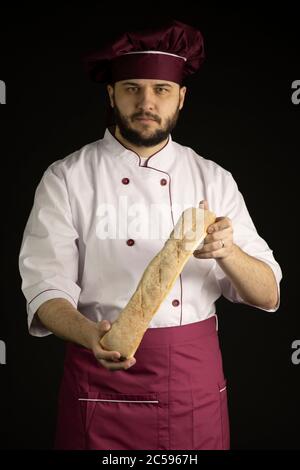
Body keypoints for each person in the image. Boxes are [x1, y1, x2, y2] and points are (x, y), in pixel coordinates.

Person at [18, 19, 282, 450]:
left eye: (161, 90)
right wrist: (91, 336)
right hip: (100, 377)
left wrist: (226, 251)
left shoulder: (212, 179)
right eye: (132, 88)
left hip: (191, 381)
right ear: (111, 94)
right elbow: (45, 289)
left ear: (181, 97)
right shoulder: (66, 178)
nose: (146, 102)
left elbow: (268, 294)